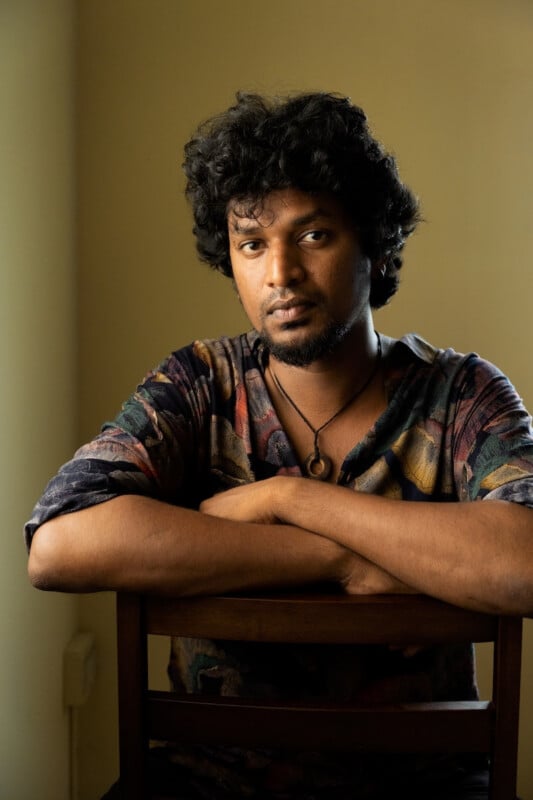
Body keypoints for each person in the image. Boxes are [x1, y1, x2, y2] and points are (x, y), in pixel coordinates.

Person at [25, 92, 533, 799]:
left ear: (375, 243)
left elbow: (525, 561)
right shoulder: (198, 383)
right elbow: (59, 545)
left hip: (421, 785)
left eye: (314, 235)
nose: (281, 273)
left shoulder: (461, 393)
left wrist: (285, 498)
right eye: (252, 244)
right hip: (207, 782)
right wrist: (346, 560)